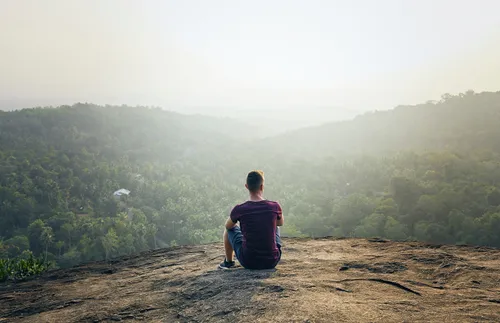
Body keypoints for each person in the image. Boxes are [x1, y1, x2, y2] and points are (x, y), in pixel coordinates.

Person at [219, 170, 284, 270]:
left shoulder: (240, 209)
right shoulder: (274, 206)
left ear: (246, 186)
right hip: (272, 261)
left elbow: (228, 226)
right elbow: (280, 223)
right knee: (275, 226)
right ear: (262, 186)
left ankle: (228, 262)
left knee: (229, 230)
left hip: (249, 261)